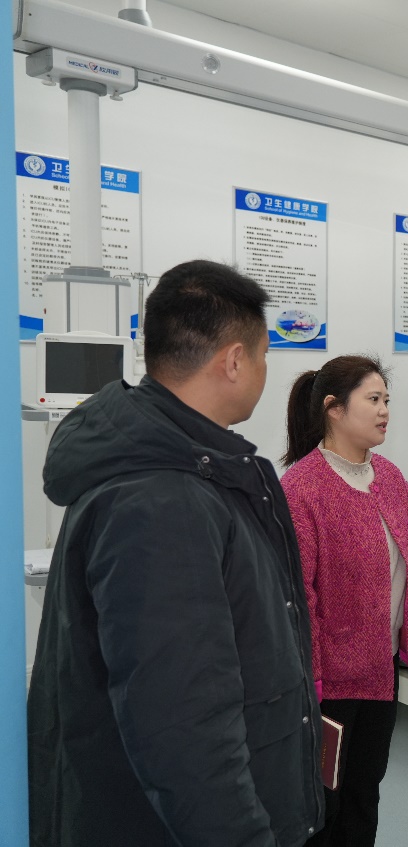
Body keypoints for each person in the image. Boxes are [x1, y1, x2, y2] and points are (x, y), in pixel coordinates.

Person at [28, 260, 324, 846]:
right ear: (234, 361)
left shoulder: (199, 469)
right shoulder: (163, 501)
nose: (265, 371)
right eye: (264, 356)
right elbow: (183, 726)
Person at [281, 355, 408, 847]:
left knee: (364, 791)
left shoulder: (390, 477)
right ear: (334, 408)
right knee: (322, 804)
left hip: (381, 670)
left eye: (386, 400)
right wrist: (310, 683)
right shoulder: (301, 489)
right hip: (328, 683)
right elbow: (298, 597)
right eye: (373, 400)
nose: (384, 411)